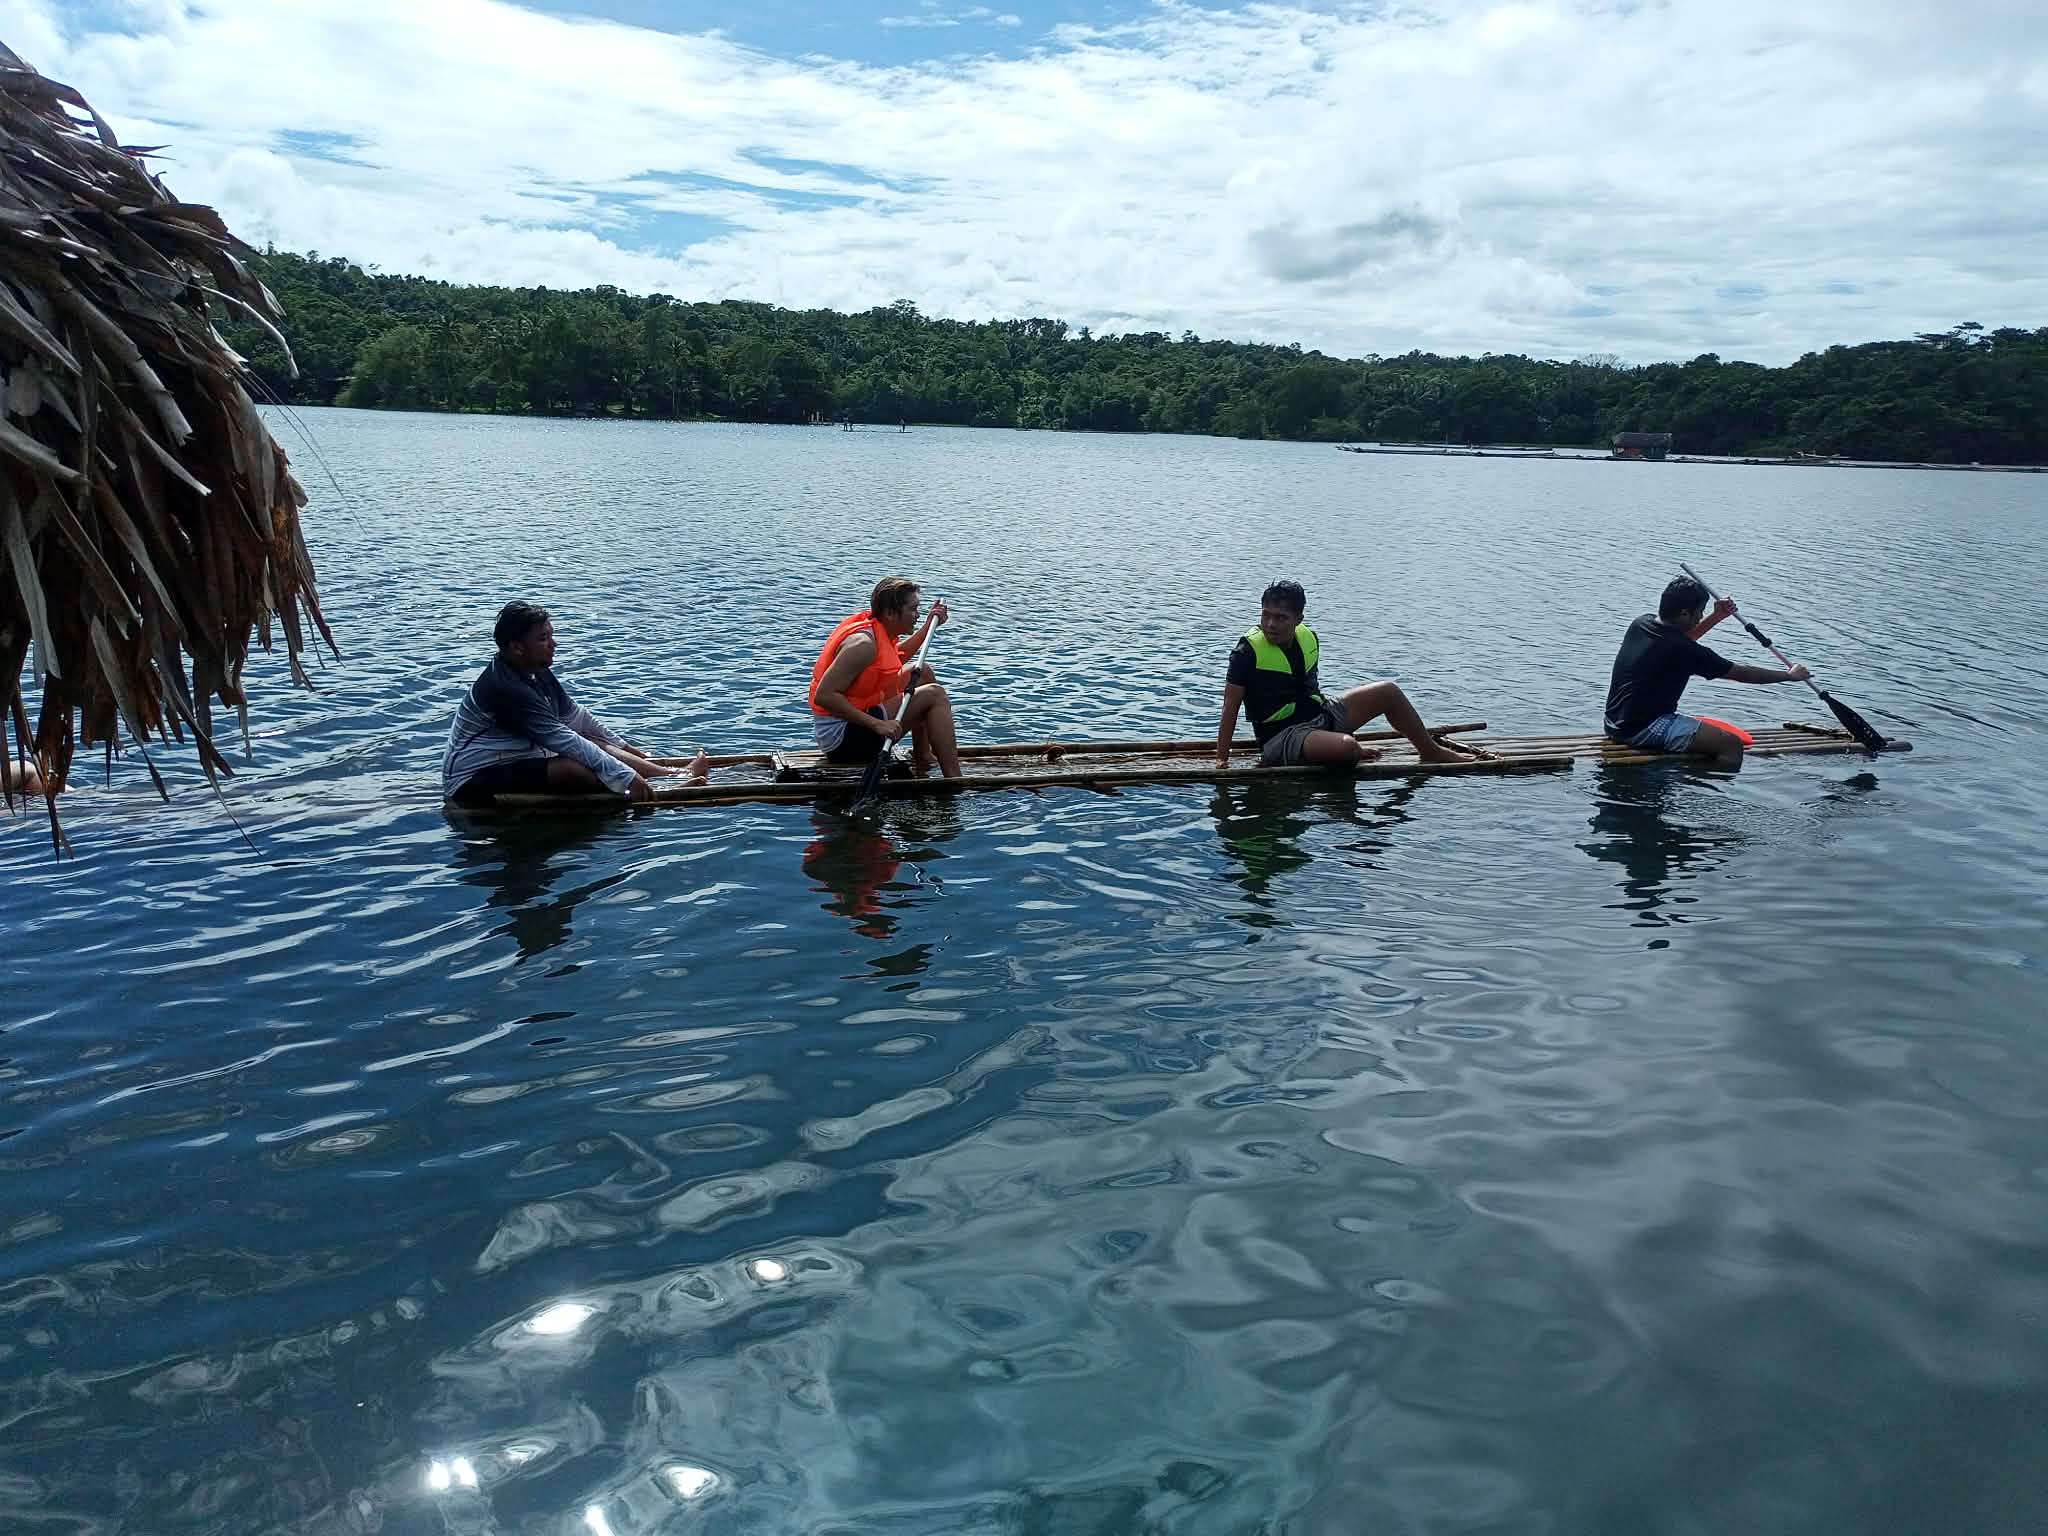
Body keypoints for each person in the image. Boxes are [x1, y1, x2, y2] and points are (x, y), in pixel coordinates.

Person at [442, 601, 707, 806]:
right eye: (543, 638)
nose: (553, 644)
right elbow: (564, 740)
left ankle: (668, 775)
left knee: (593, 741)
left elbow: (578, 719)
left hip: (514, 759)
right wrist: (628, 777)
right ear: (517, 647)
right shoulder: (506, 688)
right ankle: (656, 789)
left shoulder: (536, 670)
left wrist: (634, 753)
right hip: (471, 780)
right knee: (570, 769)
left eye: (551, 635)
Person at [1215, 580, 1480, 770]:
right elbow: (1230, 707)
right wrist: (1222, 759)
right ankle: (1339, 749)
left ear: (1298, 619)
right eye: (1266, 615)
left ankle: (1430, 751)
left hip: (1320, 717)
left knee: (1388, 691)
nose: (1271, 624)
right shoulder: (1246, 653)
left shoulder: (1308, 638)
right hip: (1282, 737)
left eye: (1281, 617)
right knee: (1348, 748)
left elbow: (1308, 689)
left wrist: (1325, 724)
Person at [1604, 574, 1810, 768]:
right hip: (1642, 729)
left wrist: (1717, 616)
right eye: (1699, 612)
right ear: (1685, 612)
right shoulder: (1685, 650)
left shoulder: (1641, 624)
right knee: (1731, 745)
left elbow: (1681, 641)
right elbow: (1742, 674)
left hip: (1613, 722)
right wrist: (1789, 676)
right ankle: (1698, 783)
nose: (1700, 617)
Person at [810, 576, 961, 779]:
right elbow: (824, 696)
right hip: (842, 739)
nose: (916, 615)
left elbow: (894, 659)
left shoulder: (878, 630)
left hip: (857, 721)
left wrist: (928, 627)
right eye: (913, 609)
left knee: (922, 671)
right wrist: (877, 724)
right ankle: (955, 779)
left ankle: (922, 756)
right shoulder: (862, 645)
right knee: (935, 695)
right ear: (890, 613)